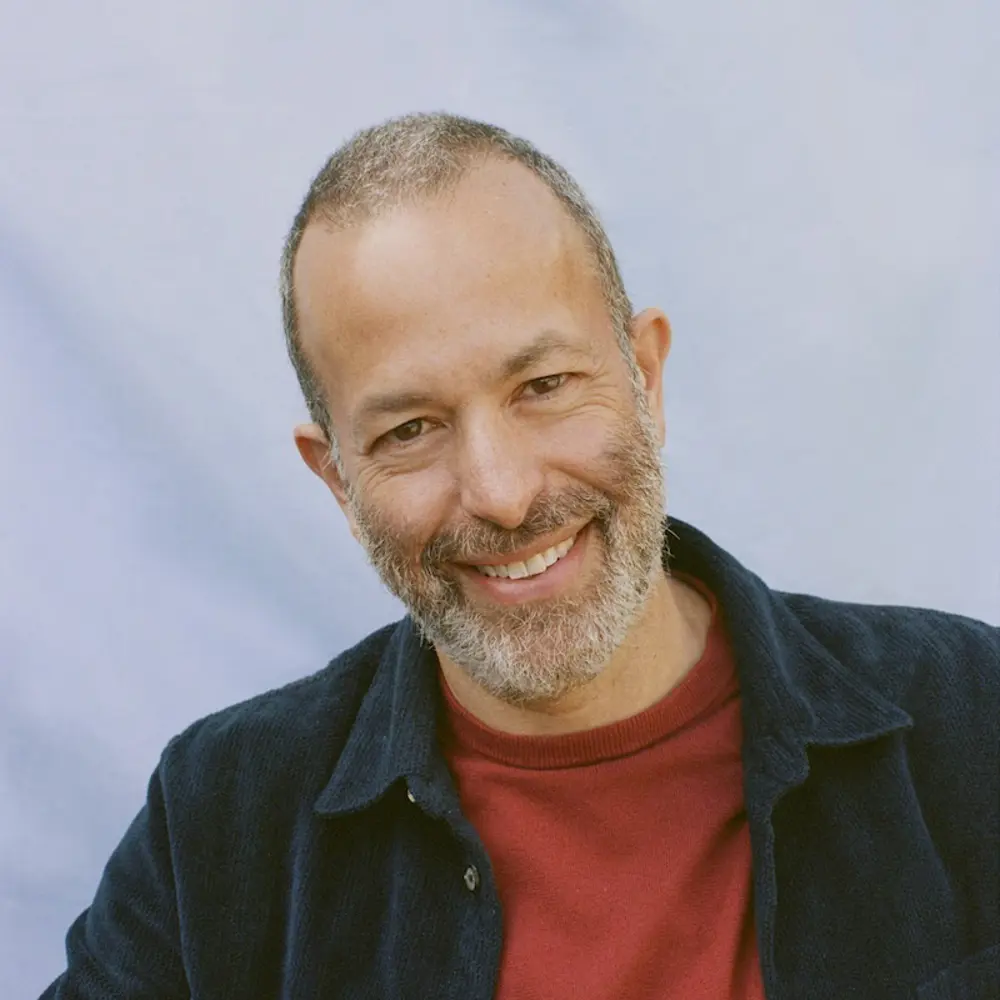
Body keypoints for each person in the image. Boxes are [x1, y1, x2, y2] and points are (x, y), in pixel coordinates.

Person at [43, 113, 998, 1000]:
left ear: (646, 379)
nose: (501, 493)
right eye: (411, 429)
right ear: (337, 480)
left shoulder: (973, 724)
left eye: (543, 385)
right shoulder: (218, 824)